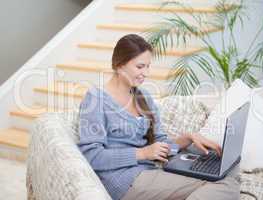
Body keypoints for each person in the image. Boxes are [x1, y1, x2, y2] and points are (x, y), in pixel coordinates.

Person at [77, 34, 240, 200]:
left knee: (227, 174)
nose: (145, 73)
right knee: (226, 185)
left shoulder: (143, 97)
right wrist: (142, 153)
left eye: (148, 66)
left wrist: (188, 137)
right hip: (125, 181)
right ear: (119, 65)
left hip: (151, 172)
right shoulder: (96, 99)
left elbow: (160, 143)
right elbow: (92, 156)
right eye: (140, 67)